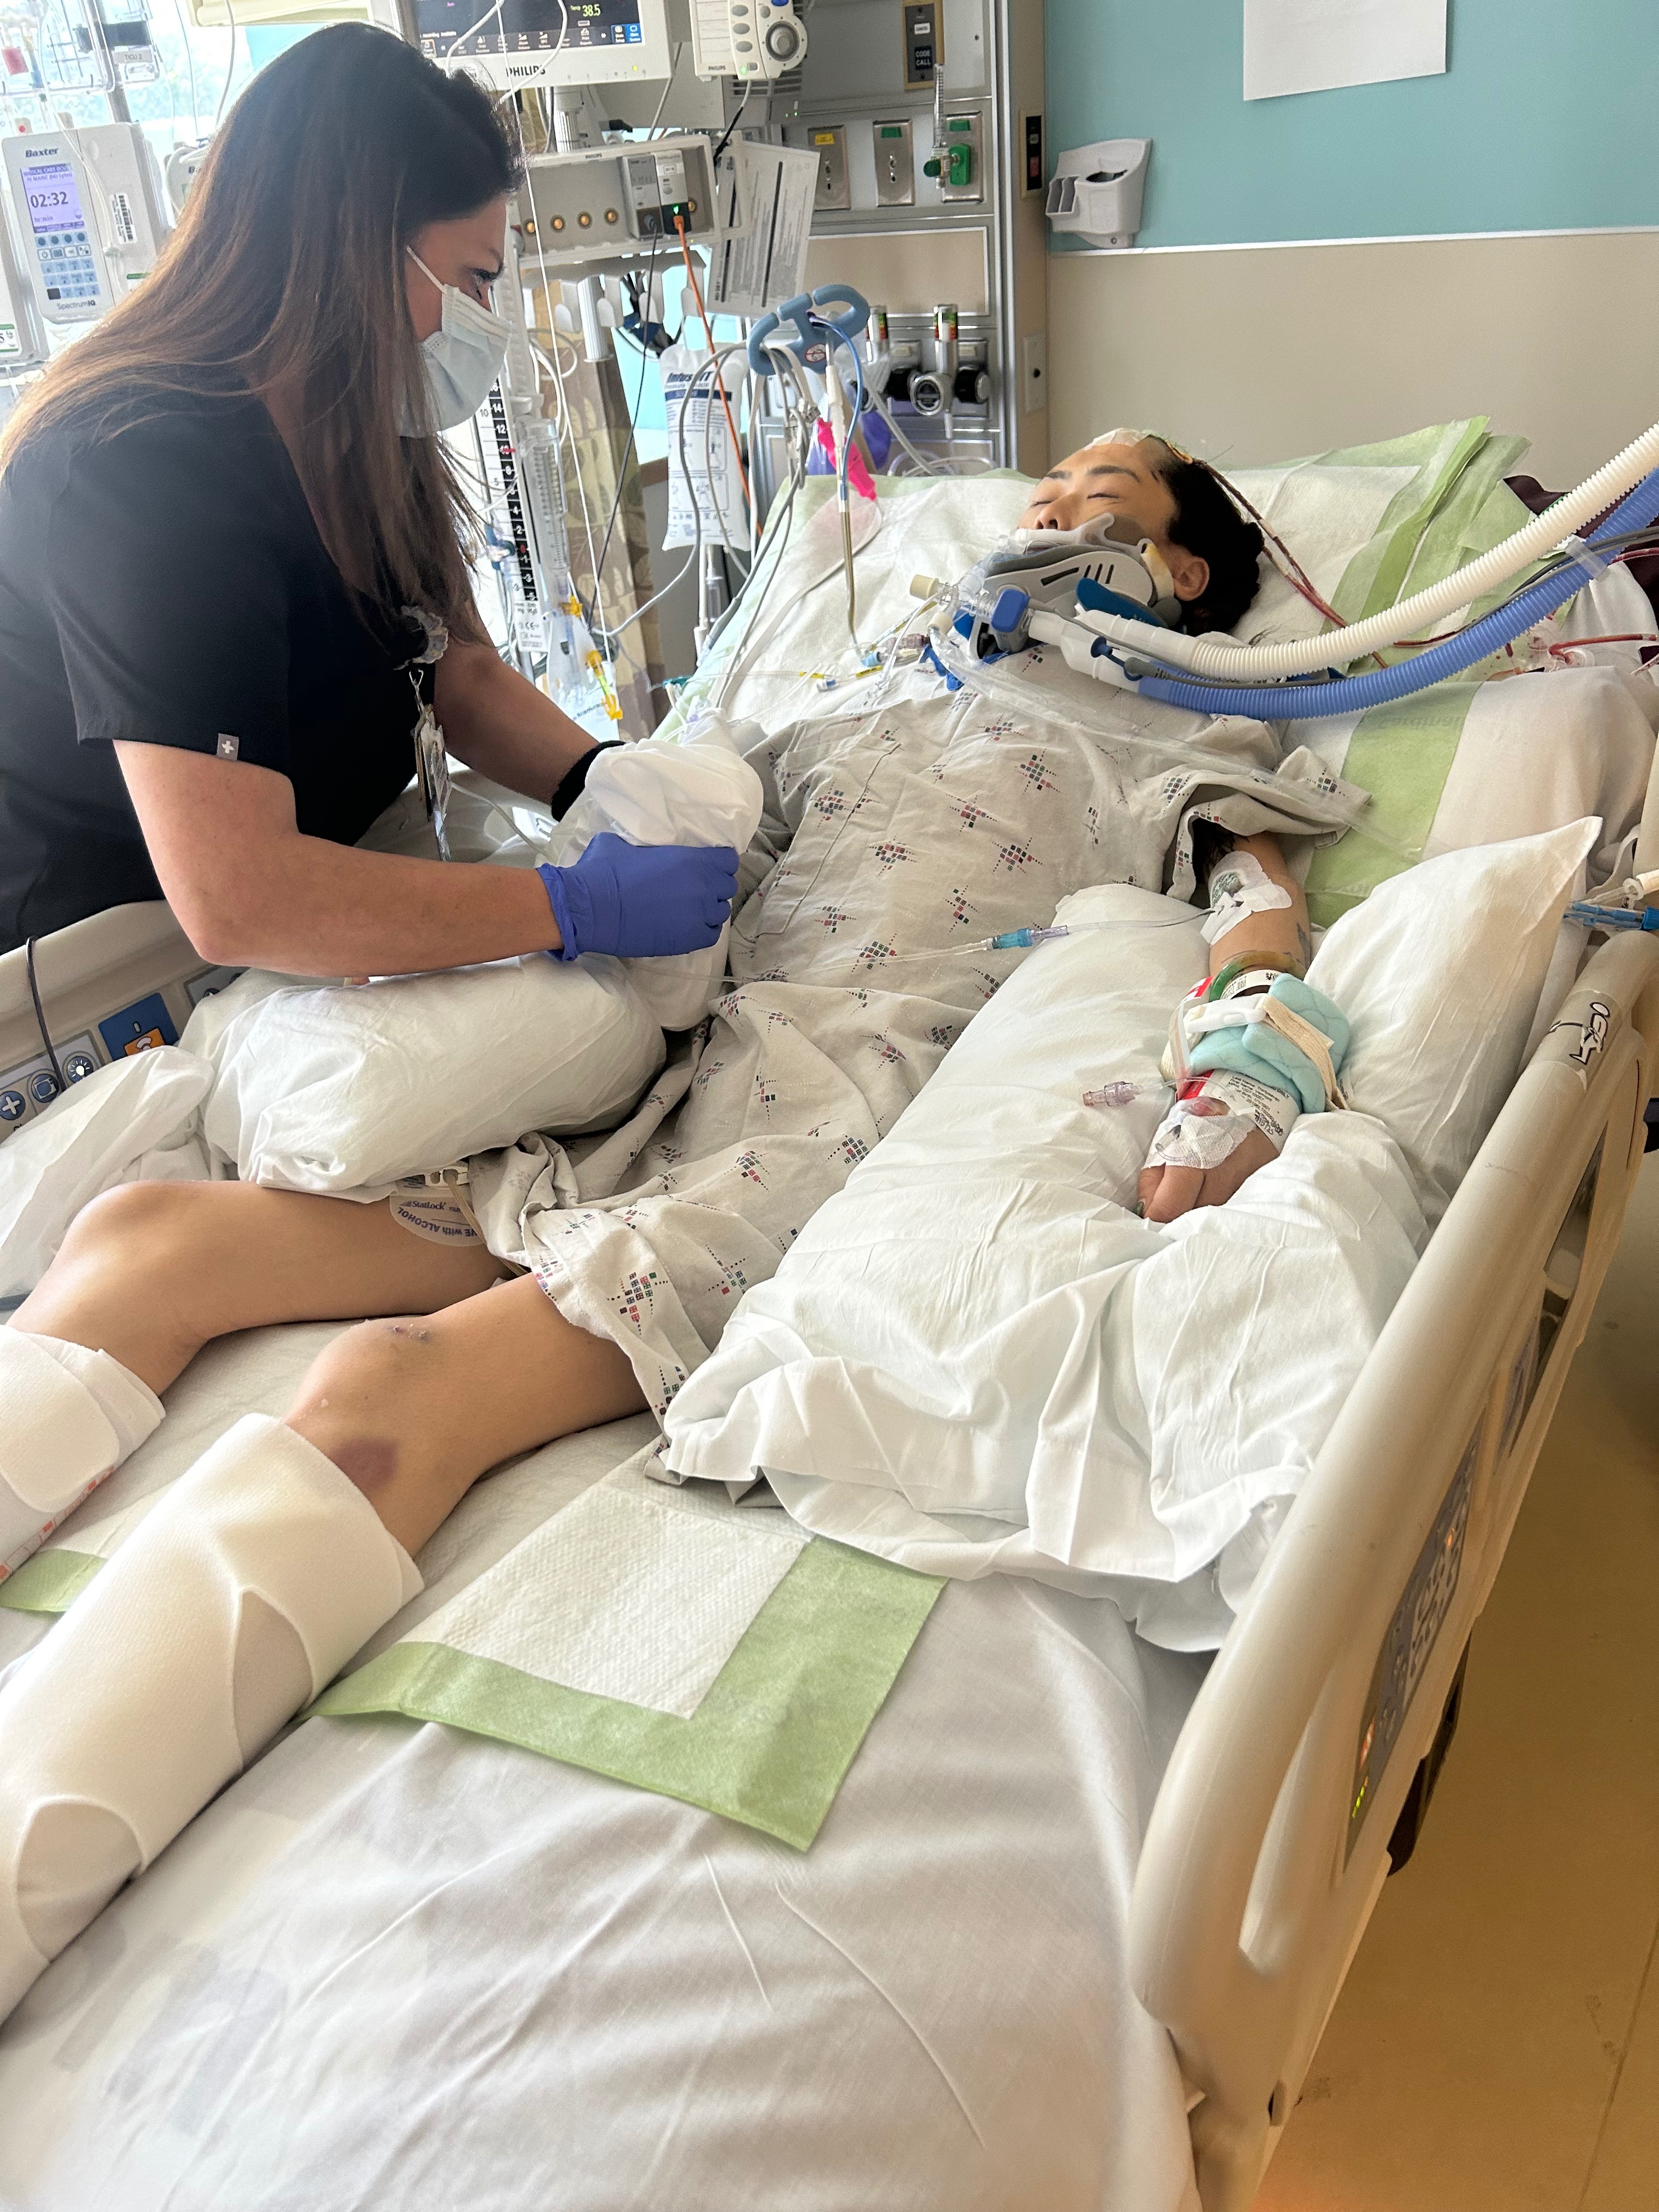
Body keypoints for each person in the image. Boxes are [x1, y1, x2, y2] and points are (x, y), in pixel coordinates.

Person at [0, 431, 1351, 2022]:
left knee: (386, 1391)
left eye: (1102, 502)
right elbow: (673, 807)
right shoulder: (869, 678)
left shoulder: (1177, 725)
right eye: (1043, 495)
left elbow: (1260, 915)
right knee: (151, 1234)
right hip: (639, 1043)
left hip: (820, 1097)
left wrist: (1252, 1068)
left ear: (1182, 571)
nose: (1052, 513)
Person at [0, 24, 734, 972]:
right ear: (351, 249)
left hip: (320, 900)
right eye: (471, 280)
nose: (481, 321)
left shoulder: (351, 426)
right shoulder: (136, 474)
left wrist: (613, 786)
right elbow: (241, 897)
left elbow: (456, 672)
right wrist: (577, 907)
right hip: (118, 973)